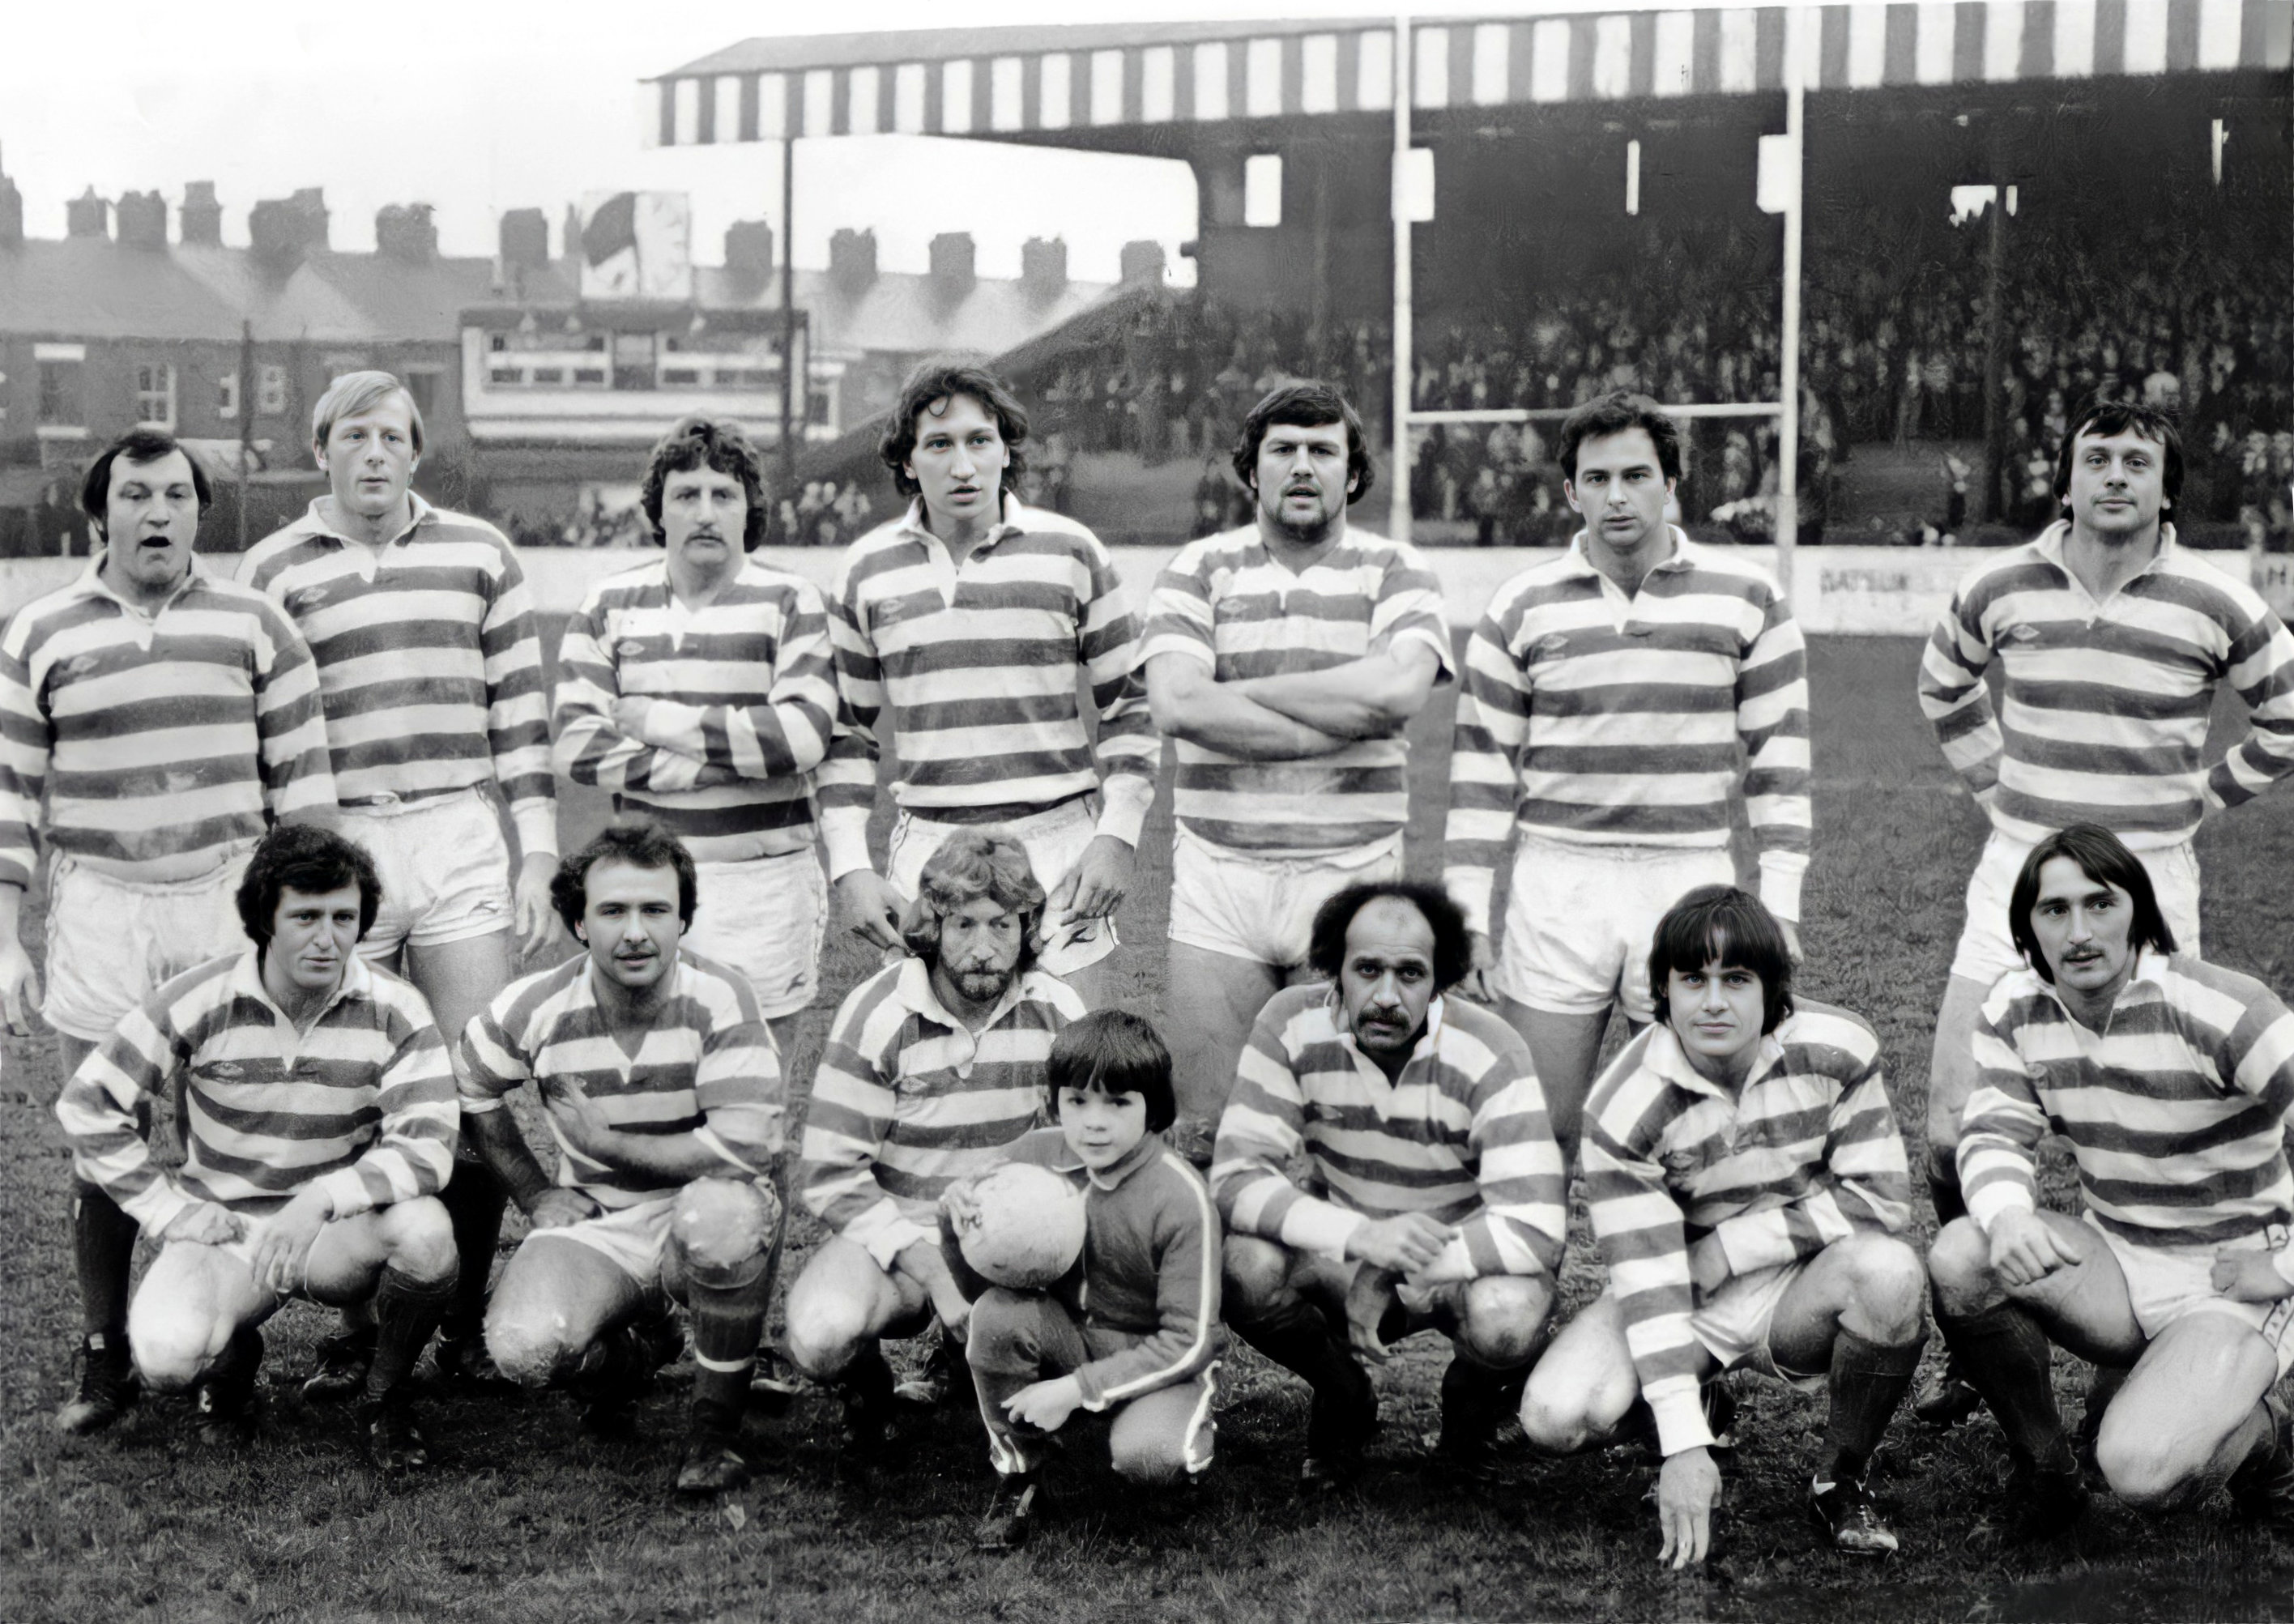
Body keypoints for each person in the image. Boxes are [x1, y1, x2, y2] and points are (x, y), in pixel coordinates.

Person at [1914, 399, 2294, 1424]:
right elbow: (1945, 685)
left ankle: (2157, 1322)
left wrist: (2203, 797)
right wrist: (2001, 793)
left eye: (2138, 459)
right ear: (2066, 477)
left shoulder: (2216, 600)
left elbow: (2289, 710)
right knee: (1954, 1130)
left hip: (2153, 880)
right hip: (2013, 875)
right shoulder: (1999, 584)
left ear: (2167, 488)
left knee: (2144, 1117)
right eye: (2097, 457)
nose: (2115, 473)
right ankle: (1983, 1344)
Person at [0, 428, 337, 1433]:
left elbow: (307, 797)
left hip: (224, 898)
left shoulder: (257, 623)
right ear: (97, 514)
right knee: (104, 1130)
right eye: (138, 494)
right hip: (102, 902)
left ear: (201, 512)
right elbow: (10, 797)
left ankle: (225, 1343)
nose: (160, 514)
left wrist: (304, 920)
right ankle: (103, 1354)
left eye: (180, 496)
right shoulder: (39, 631)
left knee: (219, 1128)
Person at [241, 369, 561, 1396]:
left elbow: (520, 709)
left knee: (470, 1080)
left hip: (459, 825)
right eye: (352, 436)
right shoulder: (274, 567)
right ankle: (369, 1316)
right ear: (321, 450)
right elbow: (266, 731)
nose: (374, 453)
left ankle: (461, 1316)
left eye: (393, 435)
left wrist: (539, 847)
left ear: (417, 451)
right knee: (360, 1087)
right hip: (342, 841)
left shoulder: (481, 551)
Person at [1445, 390, 1811, 1165]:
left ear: (1672, 482)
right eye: (1597, 478)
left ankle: (1693, 1286)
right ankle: (1528, 1284)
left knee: (1695, 1130)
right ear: (1570, 490)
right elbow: (1479, 774)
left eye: (1637, 474)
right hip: (1558, 880)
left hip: (1688, 877)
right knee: (1534, 1132)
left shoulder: (1748, 596)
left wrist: (1781, 902)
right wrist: (1468, 914)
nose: (1618, 496)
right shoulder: (1521, 605)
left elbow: (1781, 763)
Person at [1524, 885, 1923, 1566]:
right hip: (1679, 1286)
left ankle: (1841, 1477)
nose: (1713, 1001)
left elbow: (1880, 1199)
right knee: (1557, 1415)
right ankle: (1694, 1409)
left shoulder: (1838, 1046)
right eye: (1693, 979)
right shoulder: (1624, 1104)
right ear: (1662, 991)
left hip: (1804, 1276)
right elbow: (1648, 1281)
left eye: (1736, 979)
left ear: (1774, 990)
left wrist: (1734, 1246)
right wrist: (1684, 1448)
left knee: (1891, 1275)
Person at [51, 823, 458, 1468]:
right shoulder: (201, 994)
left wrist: (322, 1199)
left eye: (344, 917)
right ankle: (233, 1358)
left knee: (427, 1234)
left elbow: (430, 1144)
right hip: (228, 1227)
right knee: (163, 1357)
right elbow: (88, 1101)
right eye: (305, 916)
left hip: (332, 1232)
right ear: (265, 915)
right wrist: (171, 1212)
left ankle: (388, 1396)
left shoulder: (396, 1006)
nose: (327, 938)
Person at [1927, 825, 2294, 1536]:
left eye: (2101, 904)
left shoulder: (2222, 1008)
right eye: (2054, 910)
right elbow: (1993, 1130)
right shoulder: (2015, 1008)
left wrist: (2282, 1265)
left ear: (2140, 911)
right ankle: (2049, 1474)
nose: (2080, 931)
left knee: (2140, 1469)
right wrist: (2006, 1215)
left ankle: (2269, 1446)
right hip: (2121, 1259)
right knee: (1962, 1256)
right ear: (2028, 928)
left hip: (2231, 1277)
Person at [1145, 382, 1452, 1144]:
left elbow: (1397, 690)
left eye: (1324, 451)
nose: (1303, 466)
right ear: (1253, 471)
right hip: (1221, 873)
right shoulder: (1199, 568)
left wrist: (1244, 692)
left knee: (1351, 1130)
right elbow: (1180, 704)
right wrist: (1341, 717)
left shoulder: (1395, 568)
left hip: (1352, 872)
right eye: (1283, 450)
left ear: (1353, 474)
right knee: (1210, 1127)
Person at [458, 820, 782, 1496]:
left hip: (707, 1205)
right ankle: (637, 1353)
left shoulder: (722, 995)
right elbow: (467, 1085)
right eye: (612, 911)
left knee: (720, 1219)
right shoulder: (537, 1003)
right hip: (601, 1217)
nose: (635, 931)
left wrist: (609, 1144)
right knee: (523, 1348)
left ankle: (709, 1440)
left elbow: (741, 1146)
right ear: (578, 921)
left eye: (655, 909)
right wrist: (532, 1191)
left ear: (684, 918)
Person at [818, 361, 1156, 1008]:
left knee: (1074, 1069)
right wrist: (849, 866)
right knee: (942, 1075)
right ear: (909, 462)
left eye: (980, 440)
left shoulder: (1072, 551)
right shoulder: (865, 571)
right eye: (939, 444)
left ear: (1007, 448)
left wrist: (1118, 837)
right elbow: (847, 734)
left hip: (1060, 842)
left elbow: (1129, 705)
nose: (963, 464)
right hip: (933, 845)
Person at [1213, 880, 1563, 1490]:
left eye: (1410, 973)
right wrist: (1363, 1238)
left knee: (1511, 1314)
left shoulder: (1491, 1047)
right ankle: (1343, 1392)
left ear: (1440, 979)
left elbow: (1537, 1226)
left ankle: (1470, 1407)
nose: (1386, 995)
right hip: (1345, 1258)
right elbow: (1237, 1177)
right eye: (1367, 968)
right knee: (1244, 1264)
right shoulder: (1291, 1021)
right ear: (1335, 969)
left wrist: (1397, 1263)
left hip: (1459, 1267)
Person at [785, 829, 1087, 1450]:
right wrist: (939, 1277)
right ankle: (869, 1389)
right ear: (931, 923)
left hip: (1013, 1226)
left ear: (1028, 925)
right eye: (963, 925)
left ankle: (995, 1372)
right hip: (904, 1236)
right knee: (821, 1331)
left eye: (1002, 926)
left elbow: (1088, 1148)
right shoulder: (880, 1013)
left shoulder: (1058, 1009)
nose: (983, 949)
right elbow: (829, 1174)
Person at [553, 416, 840, 1059]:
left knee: (757, 1093)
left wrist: (654, 722)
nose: (705, 512)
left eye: (724, 495)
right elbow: (576, 744)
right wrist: (711, 767)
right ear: (660, 510)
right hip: (650, 887)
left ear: (750, 508)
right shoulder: (608, 603)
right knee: (654, 1084)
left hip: (764, 883)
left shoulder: (792, 600)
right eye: (687, 495)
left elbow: (798, 738)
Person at [946, 1011, 1222, 1550]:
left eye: (1118, 1102)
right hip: (1069, 1341)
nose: (1094, 1122)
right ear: (1056, 1103)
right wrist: (952, 1220)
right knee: (999, 1314)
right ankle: (1022, 1467)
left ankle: (1176, 1452)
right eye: (1077, 1100)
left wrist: (1077, 1389)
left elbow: (1190, 1341)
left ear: (1154, 1108)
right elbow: (980, 1289)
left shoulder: (1181, 1196)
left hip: (1156, 1363)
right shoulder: (1033, 1160)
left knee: (1148, 1458)